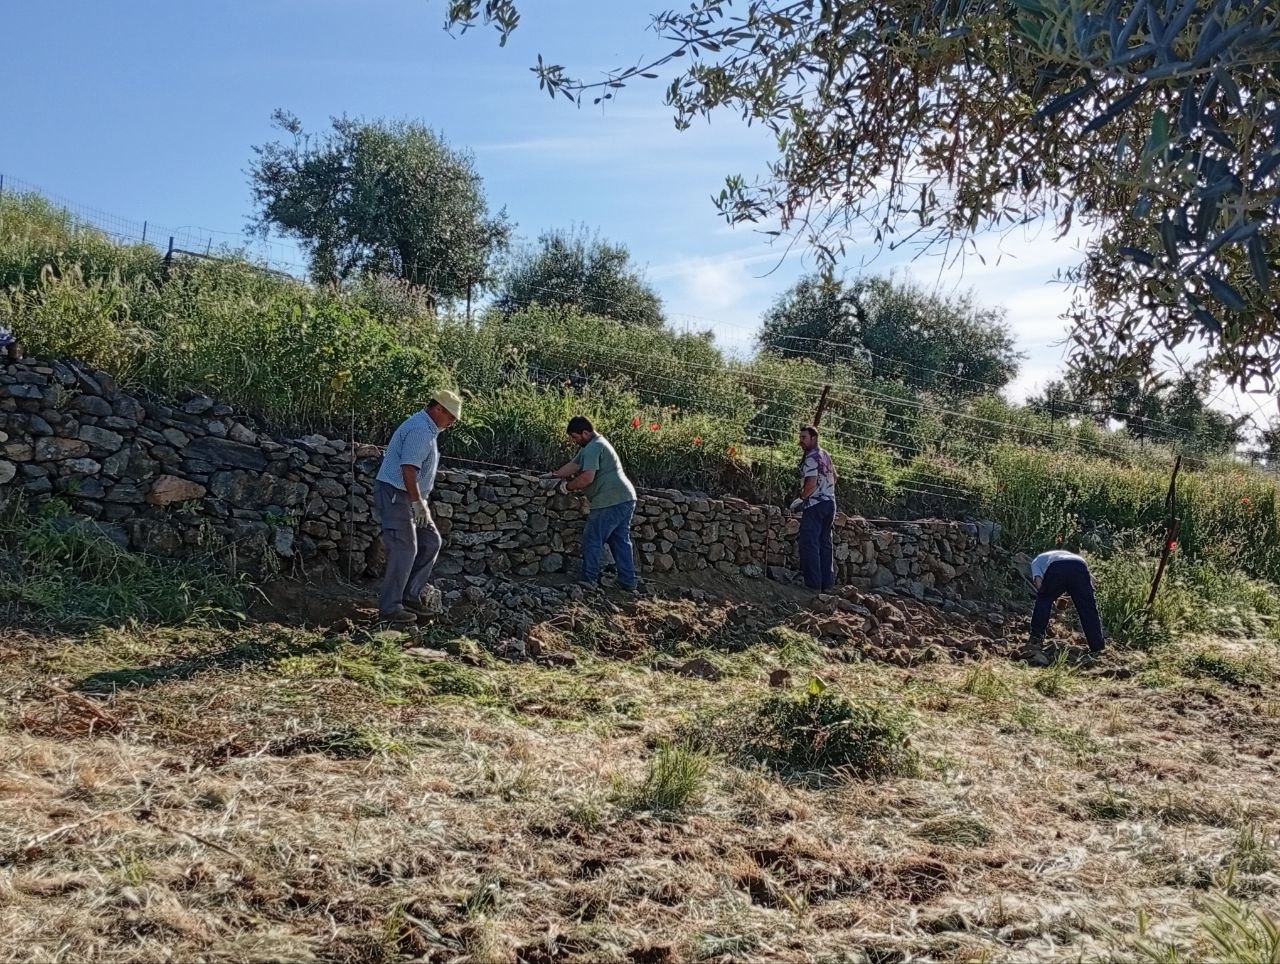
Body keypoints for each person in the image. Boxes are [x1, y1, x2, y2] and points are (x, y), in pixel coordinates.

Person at [373, 390, 462, 623]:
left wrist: (420, 502)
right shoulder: (421, 430)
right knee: (405, 548)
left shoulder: (428, 429)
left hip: (410, 496)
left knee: (431, 541)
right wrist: (416, 502)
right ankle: (390, 607)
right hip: (397, 493)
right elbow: (408, 469)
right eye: (450, 417)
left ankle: (409, 595)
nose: (451, 423)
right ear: (438, 408)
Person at [546, 416, 638, 591]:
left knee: (593, 539)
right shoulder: (594, 445)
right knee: (620, 541)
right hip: (625, 497)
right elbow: (574, 465)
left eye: (575, 437)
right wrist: (554, 475)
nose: (574, 441)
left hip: (609, 500)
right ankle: (628, 581)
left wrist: (567, 487)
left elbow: (588, 477)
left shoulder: (594, 447)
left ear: (585, 432)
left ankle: (589, 580)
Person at [1026, 549, 1106, 666]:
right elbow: (1091, 582)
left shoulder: (1036, 562)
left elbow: (1039, 584)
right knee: (1088, 608)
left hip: (1057, 567)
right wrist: (1080, 598)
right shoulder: (1071, 556)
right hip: (1080, 565)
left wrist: (1049, 597)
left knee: (1043, 599)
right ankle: (1097, 646)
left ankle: (1036, 636)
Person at [791, 425, 837, 591]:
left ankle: (813, 584)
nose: (801, 441)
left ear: (814, 438)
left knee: (809, 542)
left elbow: (810, 483)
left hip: (815, 504)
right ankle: (827, 584)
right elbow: (835, 477)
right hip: (830, 503)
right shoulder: (825, 455)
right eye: (801, 437)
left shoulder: (811, 457)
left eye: (804, 437)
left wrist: (801, 498)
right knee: (825, 542)